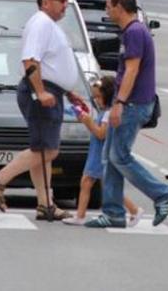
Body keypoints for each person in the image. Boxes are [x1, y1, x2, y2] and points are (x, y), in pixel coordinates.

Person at [0, 0, 81, 222]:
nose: (65, 6)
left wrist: (68, 91)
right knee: (48, 149)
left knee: (42, 150)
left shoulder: (50, 25)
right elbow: (30, 61)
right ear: (45, 2)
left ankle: (45, 204)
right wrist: (41, 92)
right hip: (42, 91)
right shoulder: (41, 23)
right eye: (61, 1)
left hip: (52, 91)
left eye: (66, 1)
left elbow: (52, 63)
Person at [85, 0, 168, 228]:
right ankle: (113, 213)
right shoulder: (132, 31)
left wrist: (119, 103)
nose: (106, 10)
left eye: (108, 6)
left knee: (119, 156)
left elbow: (132, 71)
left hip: (133, 104)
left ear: (120, 7)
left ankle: (163, 194)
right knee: (109, 157)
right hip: (130, 102)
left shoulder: (135, 32)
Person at [62, 75, 140, 226]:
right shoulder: (104, 112)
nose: (96, 100)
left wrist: (89, 122)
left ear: (108, 95)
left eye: (99, 97)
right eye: (95, 97)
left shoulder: (108, 114)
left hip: (100, 153)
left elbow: (101, 134)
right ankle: (133, 210)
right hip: (97, 152)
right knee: (96, 183)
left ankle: (133, 209)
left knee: (89, 182)